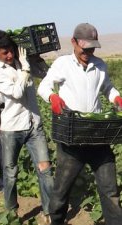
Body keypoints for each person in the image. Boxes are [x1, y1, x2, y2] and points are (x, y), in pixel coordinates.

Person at [38, 23, 122, 225]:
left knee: (110, 190)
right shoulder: (63, 64)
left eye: (92, 48)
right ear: (74, 42)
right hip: (72, 137)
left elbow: (108, 88)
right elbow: (44, 86)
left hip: (98, 137)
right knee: (61, 191)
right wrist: (52, 97)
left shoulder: (100, 65)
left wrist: (117, 98)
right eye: (85, 48)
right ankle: (56, 221)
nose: (88, 52)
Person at [0, 30, 54, 223]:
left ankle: (49, 211)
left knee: (46, 170)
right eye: (4, 53)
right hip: (11, 129)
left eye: (11, 50)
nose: (9, 55)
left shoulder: (22, 61)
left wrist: (35, 59)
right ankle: (11, 211)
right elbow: (17, 93)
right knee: (10, 173)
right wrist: (25, 70)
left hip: (34, 125)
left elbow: (46, 74)